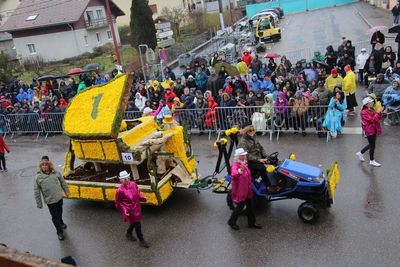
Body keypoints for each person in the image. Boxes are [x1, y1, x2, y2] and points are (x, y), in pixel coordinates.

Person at [34, 159, 70, 240]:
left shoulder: (56, 173)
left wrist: (67, 192)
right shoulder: (38, 177)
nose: (44, 167)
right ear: (40, 167)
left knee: (60, 212)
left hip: (59, 198)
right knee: (55, 216)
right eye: (42, 165)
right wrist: (39, 203)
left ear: (49, 165)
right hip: (50, 201)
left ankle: (61, 223)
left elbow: (63, 182)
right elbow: (36, 191)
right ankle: (59, 232)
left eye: (46, 165)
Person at [227, 148, 262, 231]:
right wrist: (240, 170)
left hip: (247, 189)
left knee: (250, 207)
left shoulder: (244, 163)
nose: (245, 156)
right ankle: (231, 222)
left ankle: (252, 223)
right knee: (239, 207)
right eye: (243, 155)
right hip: (241, 191)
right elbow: (234, 175)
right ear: (239, 156)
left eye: (245, 155)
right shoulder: (235, 165)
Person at [115, 170, 149, 248]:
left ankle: (128, 233)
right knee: (137, 224)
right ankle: (141, 240)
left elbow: (137, 193)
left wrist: (142, 198)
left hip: (137, 208)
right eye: (123, 178)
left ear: (129, 177)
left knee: (134, 222)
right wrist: (125, 210)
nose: (126, 179)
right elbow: (118, 203)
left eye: (127, 177)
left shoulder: (133, 184)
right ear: (120, 180)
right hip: (129, 211)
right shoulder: (120, 191)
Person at [238, 124, 278, 191]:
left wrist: (266, 156)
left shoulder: (254, 137)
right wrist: (259, 160)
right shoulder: (243, 142)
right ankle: (268, 186)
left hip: (258, 158)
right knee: (262, 168)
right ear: (246, 132)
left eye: (253, 130)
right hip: (248, 161)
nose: (252, 132)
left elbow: (261, 147)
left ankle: (276, 182)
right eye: (250, 131)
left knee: (273, 160)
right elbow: (246, 155)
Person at [356, 97, 383, 167]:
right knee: (372, 145)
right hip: (369, 130)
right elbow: (372, 120)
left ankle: (360, 153)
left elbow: (377, 118)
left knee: (371, 144)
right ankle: (372, 160)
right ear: (367, 104)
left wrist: (380, 113)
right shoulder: (364, 112)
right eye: (371, 102)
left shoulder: (371, 109)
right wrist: (377, 112)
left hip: (374, 129)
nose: (373, 103)